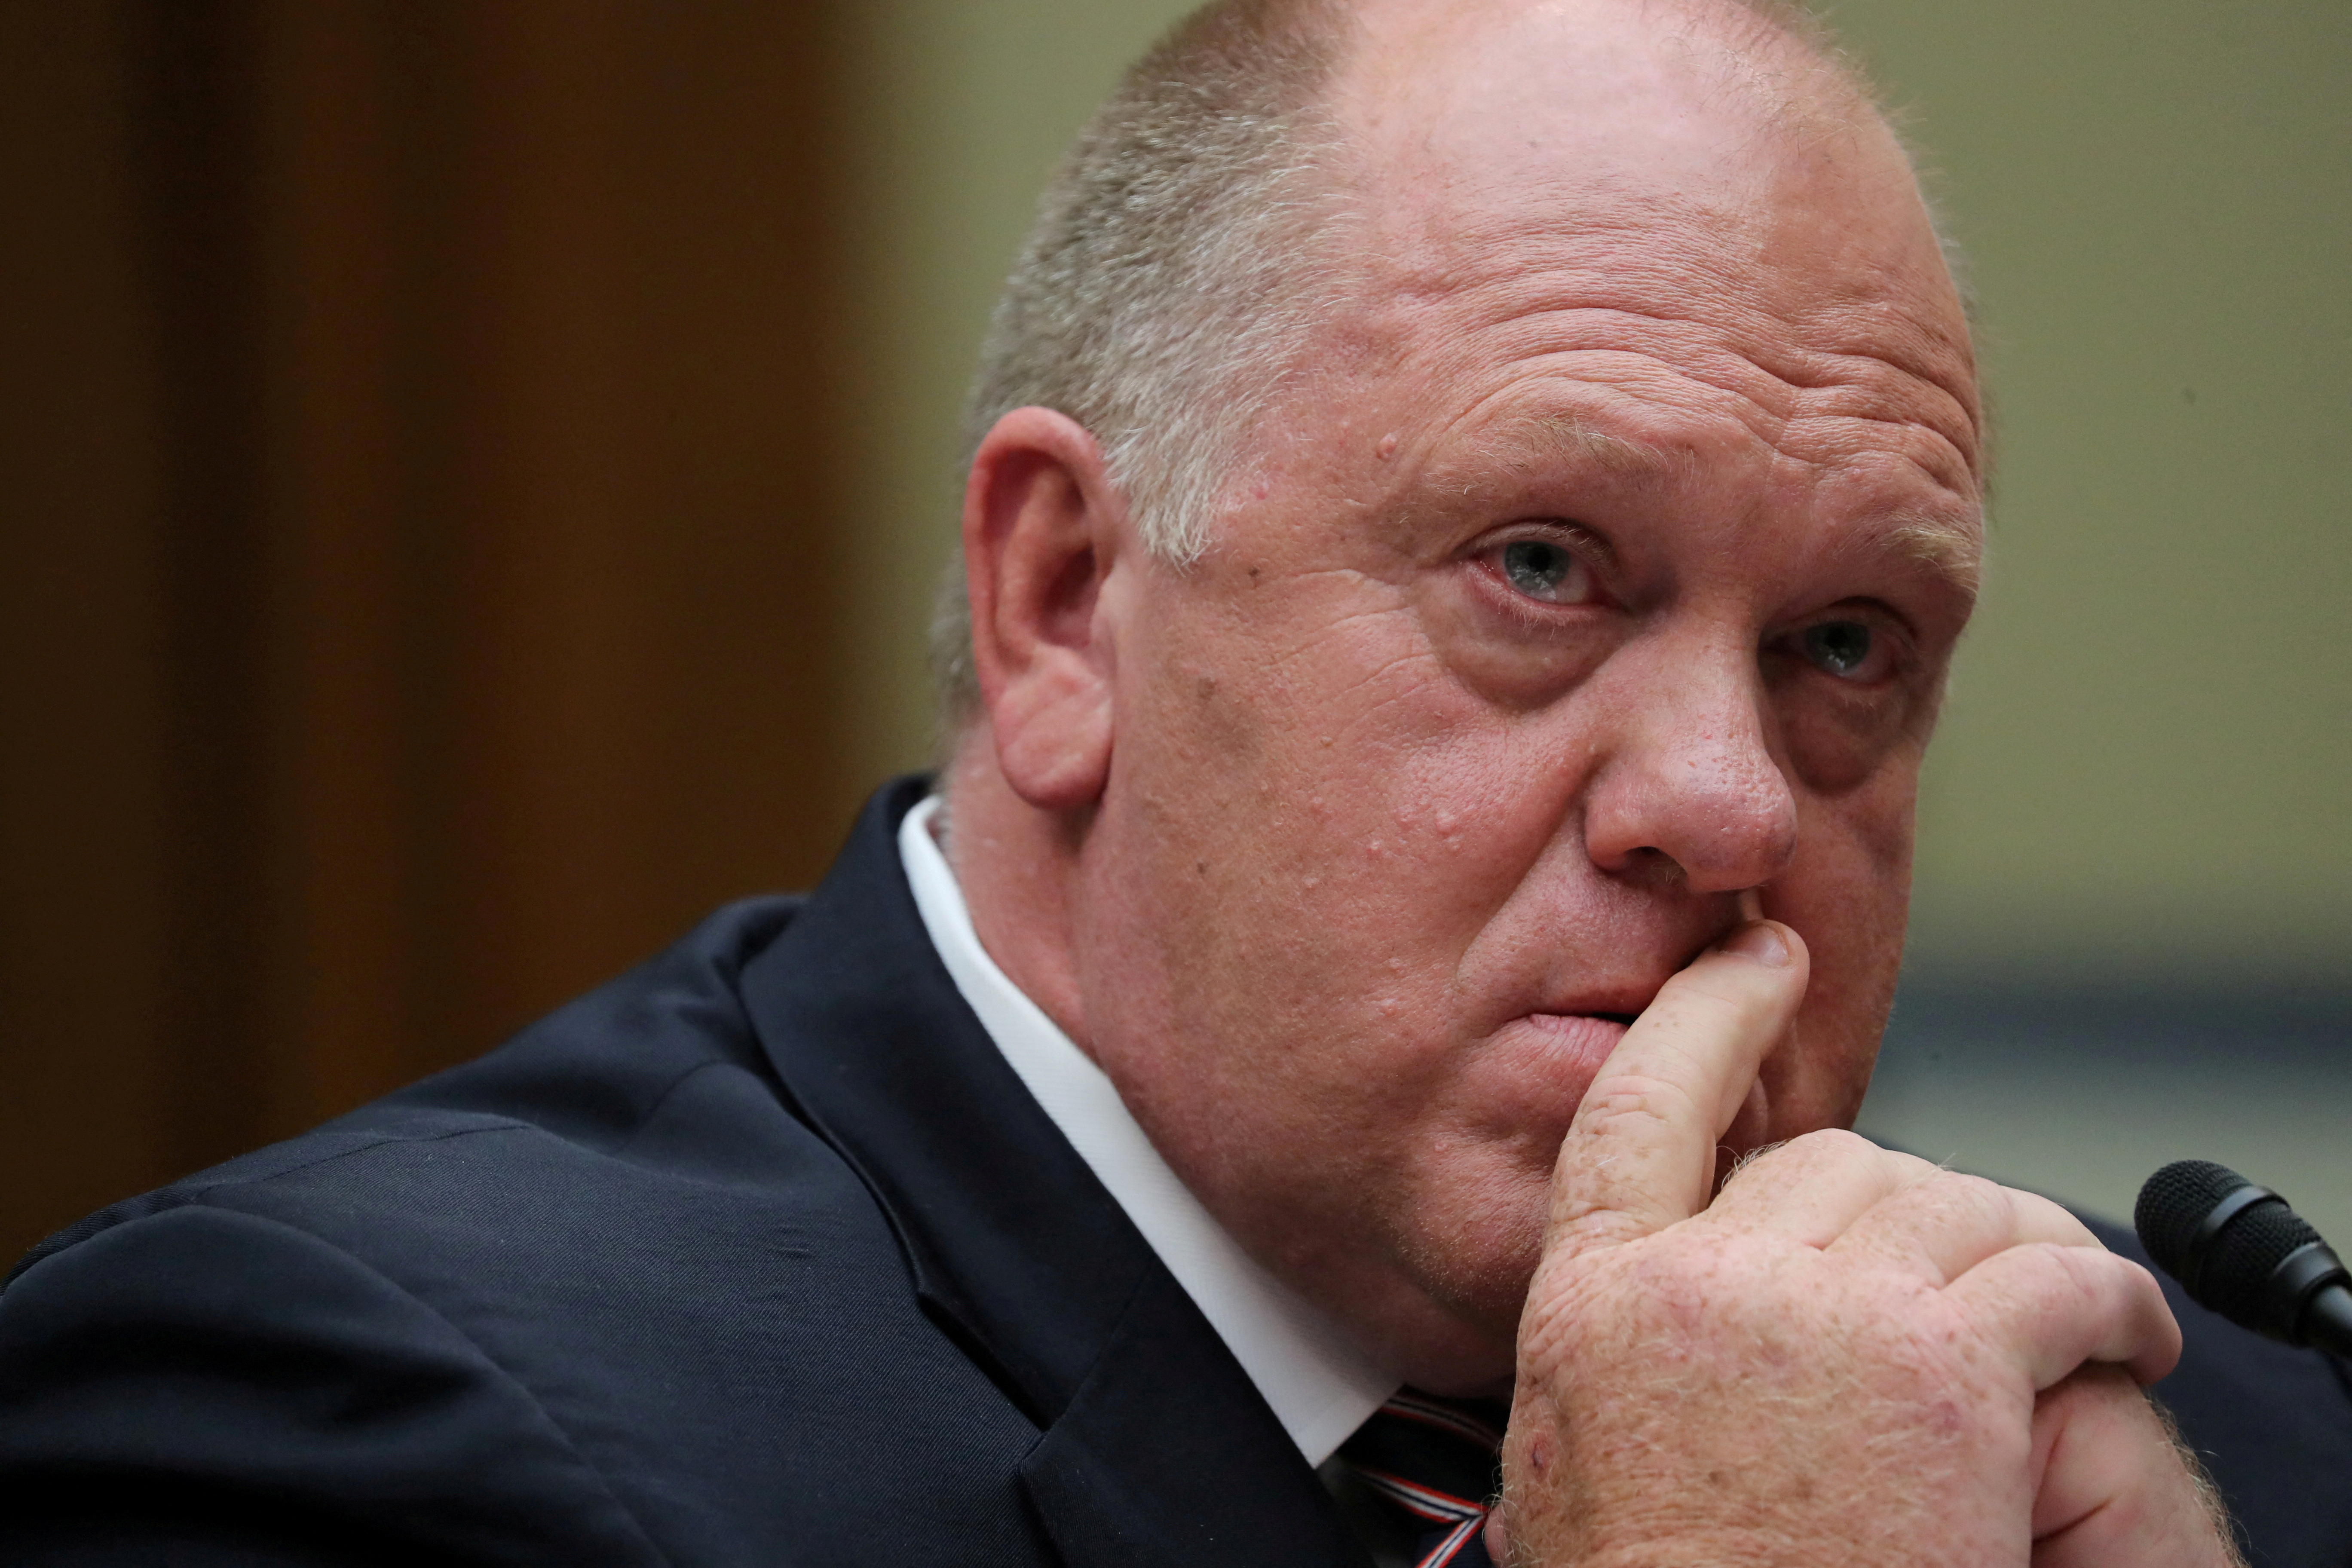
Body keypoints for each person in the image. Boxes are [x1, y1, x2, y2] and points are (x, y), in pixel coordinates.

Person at [3, 0, 2348, 1563]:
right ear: (1058, 607)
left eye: (1850, 646)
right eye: (1542, 566)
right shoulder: (355, 1424)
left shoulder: (2204, 1440)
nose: (1729, 809)